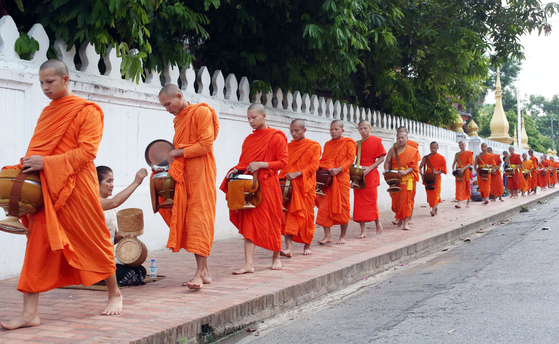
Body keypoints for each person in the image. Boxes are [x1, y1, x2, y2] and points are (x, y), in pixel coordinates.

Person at [1, 60, 121, 330]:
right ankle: (30, 313)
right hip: (48, 188)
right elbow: (40, 148)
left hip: (78, 188)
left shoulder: (87, 111)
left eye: (50, 82)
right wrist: (28, 167)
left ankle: (115, 293)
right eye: (41, 83)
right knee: (37, 248)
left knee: (93, 239)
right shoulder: (47, 113)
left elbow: (87, 152)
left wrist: (48, 163)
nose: (45, 87)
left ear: (66, 80)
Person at [156, 84, 220, 289]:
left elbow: (205, 145)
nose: (167, 109)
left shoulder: (201, 112)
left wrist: (177, 153)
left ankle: (200, 274)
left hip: (201, 174)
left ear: (179, 96)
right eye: (164, 106)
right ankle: (205, 272)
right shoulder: (180, 120)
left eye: (168, 103)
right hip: (184, 175)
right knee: (189, 221)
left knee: (198, 220)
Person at [220, 104, 288, 273]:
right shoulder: (249, 140)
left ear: (264, 116)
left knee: (273, 219)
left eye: (254, 118)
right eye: (248, 118)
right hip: (250, 185)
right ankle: (248, 264)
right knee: (249, 221)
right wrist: (237, 169)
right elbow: (245, 162)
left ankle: (276, 257)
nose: (250, 121)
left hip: (269, 185)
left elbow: (283, 162)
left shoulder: (276, 137)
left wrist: (262, 164)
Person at [97, 166, 149, 286]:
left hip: (109, 259)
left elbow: (113, 238)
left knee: (140, 271)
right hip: (95, 260)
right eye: (108, 181)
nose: (112, 185)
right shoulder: (91, 201)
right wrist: (136, 183)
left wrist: (128, 233)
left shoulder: (110, 208)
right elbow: (115, 201)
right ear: (96, 183)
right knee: (129, 275)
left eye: (113, 181)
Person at [278, 119, 321, 256]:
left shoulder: (314, 146)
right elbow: (284, 164)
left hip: (305, 186)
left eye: (297, 130)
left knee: (307, 216)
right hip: (290, 187)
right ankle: (288, 248)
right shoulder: (288, 147)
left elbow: (314, 166)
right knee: (288, 216)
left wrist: (297, 174)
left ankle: (307, 246)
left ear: (304, 130)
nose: (294, 133)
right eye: (291, 131)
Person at [316, 120, 356, 244]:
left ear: (342, 131)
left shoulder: (349, 142)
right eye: (331, 129)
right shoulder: (327, 144)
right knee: (324, 207)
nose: (333, 132)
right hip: (328, 179)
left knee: (343, 206)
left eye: (336, 129)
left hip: (341, 178)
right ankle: (327, 236)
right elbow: (324, 159)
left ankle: (342, 236)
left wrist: (339, 169)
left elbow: (350, 159)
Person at [353, 120, 386, 238]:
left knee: (372, 201)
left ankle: (377, 222)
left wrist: (371, 167)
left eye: (365, 128)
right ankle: (363, 230)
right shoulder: (357, 144)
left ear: (370, 128)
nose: (363, 131)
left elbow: (381, 158)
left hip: (371, 173)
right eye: (361, 128)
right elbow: (355, 159)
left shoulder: (376, 141)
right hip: (360, 174)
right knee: (359, 203)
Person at [383, 131, 420, 230]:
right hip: (394, 178)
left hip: (407, 178)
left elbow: (414, 166)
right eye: (399, 138)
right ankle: (400, 218)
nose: (401, 140)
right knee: (396, 201)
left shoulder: (412, 151)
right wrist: (386, 170)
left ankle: (406, 223)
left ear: (407, 138)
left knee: (407, 201)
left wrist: (405, 171)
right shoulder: (393, 150)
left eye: (403, 138)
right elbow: (387, 162)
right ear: (396, 139)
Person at [396, 126, 420, 223]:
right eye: (399, 135)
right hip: (398, 174)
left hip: (410, 175)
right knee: (397, 197)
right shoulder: (395, 146)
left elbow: (415, 161)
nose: (401, 138)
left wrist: (407, 170)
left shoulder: (413, 145)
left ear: (407, 134)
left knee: (409, 198)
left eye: (402, 134)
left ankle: (408, 217)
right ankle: (399, 216)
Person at [419, 141, 447, 216]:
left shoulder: (441, 158)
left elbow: (444, 170)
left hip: (436, 177)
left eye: (434, 148)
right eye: (431, 147)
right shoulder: (426, 157)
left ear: (438, 148)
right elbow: (419, 167)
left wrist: (437, 172)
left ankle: (433, 209)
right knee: (430, 194)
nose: (433, 149)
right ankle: (434, 206)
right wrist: (422, 175)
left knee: (436, 192)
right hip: (428, 177)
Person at [452, 141, 474, 208]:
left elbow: (470, 163)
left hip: (466, 172)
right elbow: (453, 164)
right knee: (459, 188)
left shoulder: (469, 153)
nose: (461, 146)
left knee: (467, 187)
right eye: (460, 145)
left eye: (462, 145)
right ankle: (459, 203)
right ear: (459, 146)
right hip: (459, 173)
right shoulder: (457, 154)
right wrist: (453, 172)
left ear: (465, 145)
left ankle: (468, 203)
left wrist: (463, 169)